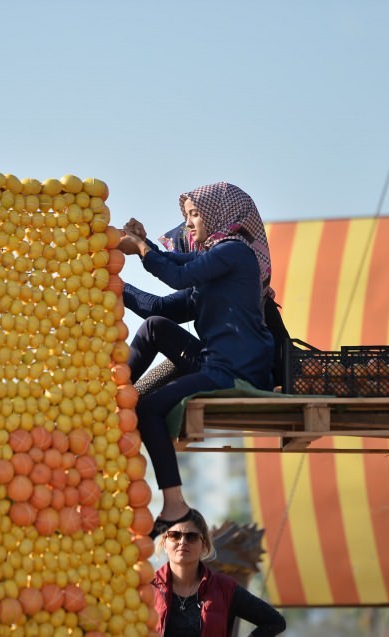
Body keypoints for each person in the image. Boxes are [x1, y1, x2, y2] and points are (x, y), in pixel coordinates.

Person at [118, 182, 275, 538]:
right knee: (157, 326)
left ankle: (175, 504)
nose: (189, 224)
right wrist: (114, 281)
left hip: (235, 370)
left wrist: (143, 249)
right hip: (212, 363)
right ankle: (112, 391)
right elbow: (159, 306)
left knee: (150, 409)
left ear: (220, 214)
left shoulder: (236, 253)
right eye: (186, 216)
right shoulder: (214, 271)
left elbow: (178, 274)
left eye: (194, 214)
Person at [126, 198, 289, 393]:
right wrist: (141, 246)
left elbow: (173, 283)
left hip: (243, 375)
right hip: (218, 365)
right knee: (150, 380)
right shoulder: (211, 283)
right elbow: (160, 308)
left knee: (149, 395)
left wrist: (140, 251)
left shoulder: (230, 271)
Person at [152, 508, 286, 636]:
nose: (182, 542)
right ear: (164, 543)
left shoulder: (225, 588)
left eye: (191, 537)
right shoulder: (147, 586)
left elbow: (275, 621)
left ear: (204, 545)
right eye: (175, 535)